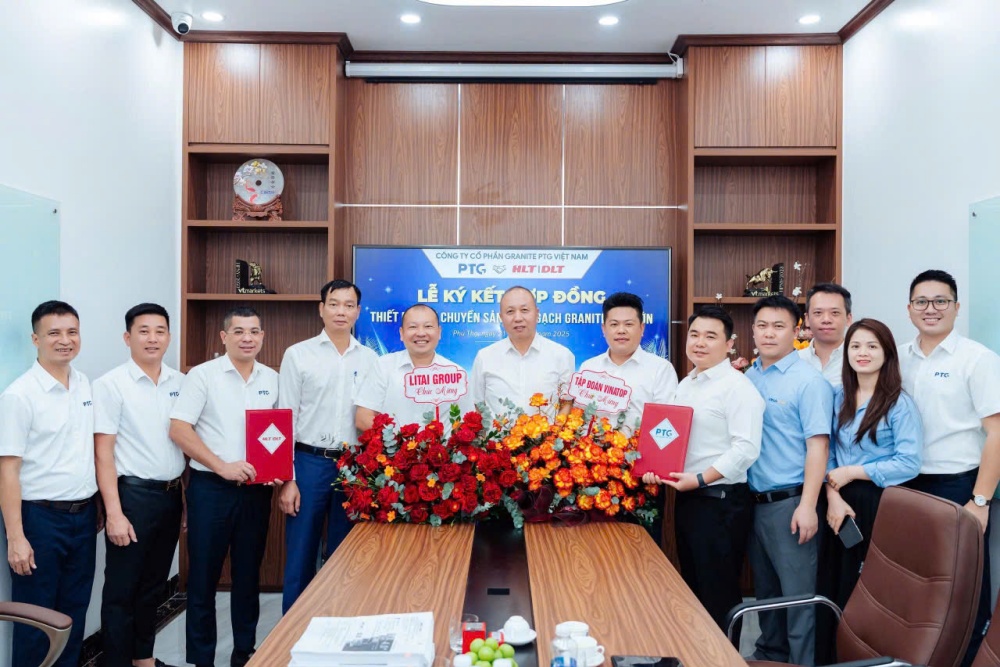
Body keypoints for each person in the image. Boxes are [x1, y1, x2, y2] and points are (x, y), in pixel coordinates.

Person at [642, 305, 763, 639]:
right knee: (693, 590)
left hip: (721, 502)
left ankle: (724, 658)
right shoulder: (688, 383)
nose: (699, 342)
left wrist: (699, 478)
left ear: (729, 344)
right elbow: (671, 437)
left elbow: (745, 449)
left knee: (718, 594)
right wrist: (655, 468)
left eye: (710, 336)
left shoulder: (737, 388)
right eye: (694, 334)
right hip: (690, 499)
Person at [169, 306, 280, 667]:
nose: (247, 338)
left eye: (254, 331)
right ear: (224, 336)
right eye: (239, 331)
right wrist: (222, 467)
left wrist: (278, 469)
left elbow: (278, 432)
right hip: (211, 489)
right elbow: (179, 429)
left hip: (257, 491)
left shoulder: (272, 378)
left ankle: (244, 653)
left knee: (248, 576)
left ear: (262, 337)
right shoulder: (202, 376)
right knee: (203, 577)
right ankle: (202, 659)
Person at [899, 269, 1000, 666]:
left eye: (941, 301)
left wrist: (980, 500)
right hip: (905, 487)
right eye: (921, 301)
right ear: (909, 309)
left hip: (958, 487)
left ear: (957, 307)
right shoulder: (897, 358)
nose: (931, 309)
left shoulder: (978, 359)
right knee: (914, 586)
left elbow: (997, 433)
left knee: (964, 591)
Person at [817, 318, 922, 664]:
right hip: (838, 502)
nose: (863, 353)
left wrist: (852, 472)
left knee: (872, 590)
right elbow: (828, 452)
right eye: (856, 346)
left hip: (880, 504)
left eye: (872, 346)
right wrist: (833, 495)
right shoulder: (837, 397)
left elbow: (909, 463)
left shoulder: (898, 404)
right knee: (836, 584)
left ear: (887, 353)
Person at [0, 300, 98, 667]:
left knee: (73, 612)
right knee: (36, 618)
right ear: (36, 339)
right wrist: (16, 537)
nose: (65, 340)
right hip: (39, 520)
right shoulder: (19, 395)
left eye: (72, 332)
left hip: (83, 517)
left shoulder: (84, 384)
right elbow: (7, 470)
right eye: (54, 333)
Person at [94, 303, 185, 667]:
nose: (152, 338)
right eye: (143, 331)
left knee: (153, 586)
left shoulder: (181, 383)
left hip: (170, 496)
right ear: (127, 337)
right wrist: (114, 513)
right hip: (132, 497)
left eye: (160, 331)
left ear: (169, 337)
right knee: (122, 589)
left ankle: (143, 659)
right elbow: (103, 454)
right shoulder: (110, 385)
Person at [745, 294, 833, 667]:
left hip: (791, 504)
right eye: (762, 326)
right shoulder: (748, 376)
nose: (769, 333)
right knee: (766, 596)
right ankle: (771, 658)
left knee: (798, 600)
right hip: (754, 502)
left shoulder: (809, 382)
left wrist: (808, 506)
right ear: (752, 330)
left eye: (779, 326)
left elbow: (819, 447)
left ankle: (802, 662)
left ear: (796, 331)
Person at [278, 280, 377, 614]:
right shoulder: (298, 354)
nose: (341, 311)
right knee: (301, 552)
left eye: (349, 305)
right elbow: (286, 417)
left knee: (345, 553)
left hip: (353, 465)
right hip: (308, 463)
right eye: (334, 304)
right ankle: (293, 631)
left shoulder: (370, 359)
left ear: (358, 312)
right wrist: (288, 478)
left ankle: (338, 624)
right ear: (321, 309)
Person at [355, 304, 472, 431]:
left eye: (428, 326)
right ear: (401, 333)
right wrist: (396, 441)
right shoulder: (384, 366)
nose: (421, 333)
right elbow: (363, 418)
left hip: (442, 445)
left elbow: (465, 424)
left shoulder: (456, 373)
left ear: (439, 332)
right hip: (392, 444)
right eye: (413, 327)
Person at [577, 292, 677, 433]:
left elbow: (665, 422)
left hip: (641, 447)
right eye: (614, 324)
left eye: (629, 324)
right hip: (594, 447)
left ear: (642, 328)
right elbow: (580, 418)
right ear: (604, 329)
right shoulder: (588, 367)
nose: (621, 330)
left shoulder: (661, 369)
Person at [471, 286, 574, 419]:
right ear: (501, 317)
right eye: (510, 311)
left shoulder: (561, 355)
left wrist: (554, 432)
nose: (518, 318)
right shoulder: (484, 357)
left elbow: (566, 404)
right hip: (497, 433)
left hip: (548, 433)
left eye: (524, 310)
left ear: (537, 313)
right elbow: (478, 405)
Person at [799, 283, 853, 388]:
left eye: (835, 313)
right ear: (807, 319)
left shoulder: (859, 360)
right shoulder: (796, 361)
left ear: (848, 319)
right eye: (818, 313)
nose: (826, 320)